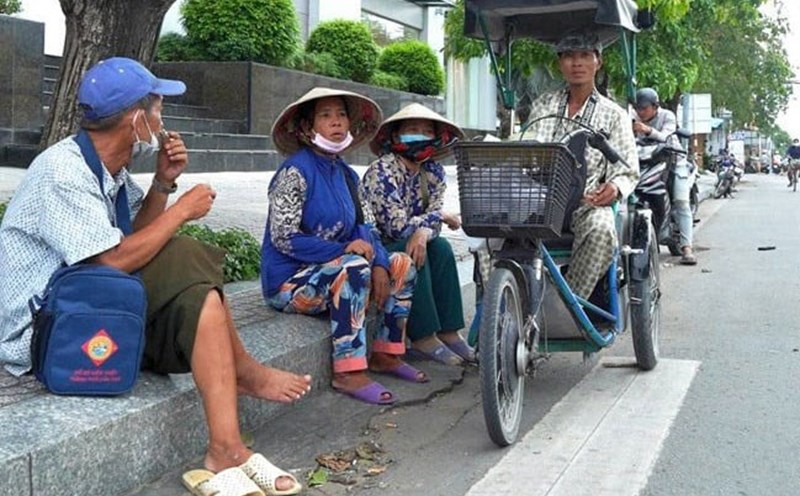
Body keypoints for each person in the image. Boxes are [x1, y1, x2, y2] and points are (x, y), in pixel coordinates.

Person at [0, 57, 310, 496]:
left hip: (89, 307)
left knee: (196, 294)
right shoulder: (62, 171)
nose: (163, 122)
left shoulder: (109, 170)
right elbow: (110, 261)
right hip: (45, 331)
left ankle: (227, 447)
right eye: (159, 109)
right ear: (136, 120)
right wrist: (181, 210)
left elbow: (136, 239)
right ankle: (242, 376)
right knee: (184, 253)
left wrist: (164, 183)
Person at [262, 87, 420, 406]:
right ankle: (348, 372)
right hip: (291, 282)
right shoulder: (295, 172)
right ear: (308, 128)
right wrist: (346, 250)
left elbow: (368, 229)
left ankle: (386, 354)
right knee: (353, 268)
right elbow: (284, 236)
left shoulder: (348, 175)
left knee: (402, 264)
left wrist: (380, 263)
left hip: (340, 269)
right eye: (325, 115)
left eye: (341, 114)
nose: (336, 122)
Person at [517, 31, 639, 299]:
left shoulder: (614, 114)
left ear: (598, 62)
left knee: (602, 231)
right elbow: (525, 152)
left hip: (586, 202)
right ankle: (505, 306)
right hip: (539, 200)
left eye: (585, 55)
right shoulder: (544, 105)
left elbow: (627, 169)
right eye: (569, 56)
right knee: (490, 231)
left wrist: (615, 188)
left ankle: (568, 305)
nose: (577, 63)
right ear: (560, 63)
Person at [360, 103, 474, 366]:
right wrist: (436, 218)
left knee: (441, 248)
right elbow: (395, 227)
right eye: (413, 130)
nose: (420, 135)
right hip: (379, 246)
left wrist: (425, 229)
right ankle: (422, 336)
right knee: (411, 249)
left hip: (412, 237)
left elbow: (433, 220)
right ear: (397, 136)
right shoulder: (383, 170)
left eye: (426, 131)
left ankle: (449, 331)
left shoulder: (433, 171)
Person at [633, 87, 697, 265]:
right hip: (644, 161)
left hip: (674, 160)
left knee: (681, 202)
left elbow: (666, 136)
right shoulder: (632, 116)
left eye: (644, 108)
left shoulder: (667, 116)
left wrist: (646, 130)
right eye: (638, 108)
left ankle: (687, 248)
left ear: (655, 106)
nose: (640, 111)